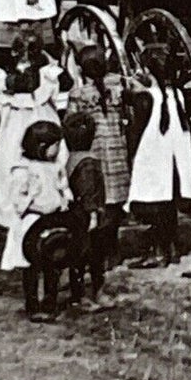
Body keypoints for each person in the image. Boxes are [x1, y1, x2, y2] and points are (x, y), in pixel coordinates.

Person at [0, 34, 62, 233]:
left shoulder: (3, 75)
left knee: (12, 156)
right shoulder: (46, 73)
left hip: (17, 119)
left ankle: (17, 206)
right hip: (38, 115)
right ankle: (48, 200)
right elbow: (54, 92)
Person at [5, 119, 77, 320]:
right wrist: (37, 207)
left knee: (53, 261)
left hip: (53, 220)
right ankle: (33, 304)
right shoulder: (24, 169)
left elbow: (63, 187)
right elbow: (18, 199)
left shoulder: (55, 166)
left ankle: (50, 302)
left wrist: (64, 200)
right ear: (42, 147)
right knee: (32, 264)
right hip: (33, 222)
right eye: (55, 146)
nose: (58, 150)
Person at [66, 46, 130, 267]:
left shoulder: (79, 95)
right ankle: (113, 250)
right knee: (115, 204)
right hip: (118, 152)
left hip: (95, 155)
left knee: (97, 204)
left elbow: (71, 125)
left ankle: (98, 253)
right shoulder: (119, 86)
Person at [126, 69, 191, 267]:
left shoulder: (146, 98)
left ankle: (157, 253)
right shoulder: (177, 94)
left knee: (154, 206)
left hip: (156, 159)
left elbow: (136, 129)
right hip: (174, 160)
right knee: (169, 205)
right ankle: (171, 250)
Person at [62, 111, 110, 310]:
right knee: (94, 256)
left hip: (74, 215)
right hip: (89, 216)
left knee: (78, 256)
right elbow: (89, 191)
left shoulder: (69, 159)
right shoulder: (89, 162)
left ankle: (80, 293)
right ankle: (91, 292)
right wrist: (93, 214)